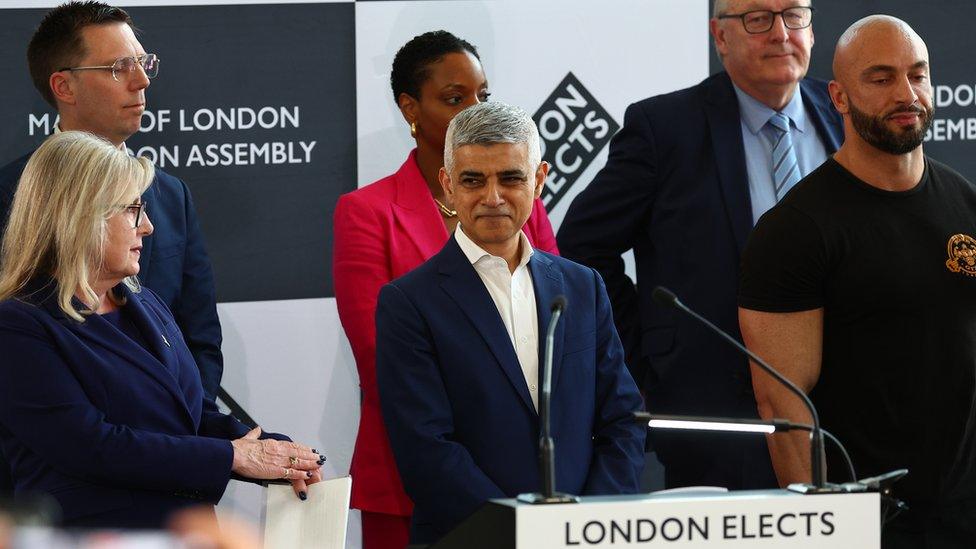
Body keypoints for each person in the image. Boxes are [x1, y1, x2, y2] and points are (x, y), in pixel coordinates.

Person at [556, 0, 842, 490]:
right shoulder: (664, 128)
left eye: (794, 15)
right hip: (717, 415)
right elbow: (582, 247)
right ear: (721, 36)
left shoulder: (849, 115)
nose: (780, 33)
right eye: (758, 18)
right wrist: (649, 356)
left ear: (812, 31)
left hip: (847, 413)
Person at [0, 131, 326, 529]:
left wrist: (264, 447)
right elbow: (90, 446)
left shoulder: (142, 300)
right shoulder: (18, 324)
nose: (149, 227)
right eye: (133, 209)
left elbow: (186, 415)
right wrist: (233, 456)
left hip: (185, 532)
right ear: (79, 216)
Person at [738, 16, 976, 548]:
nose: (906, 93)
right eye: (881, 78)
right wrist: (821, 533)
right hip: (864, 520)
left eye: (918, 75)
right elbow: (783, 407)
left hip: (965, 511)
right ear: (839, 98)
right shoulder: (795, 231)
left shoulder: (965, 202)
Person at [375, 102, 645, 544]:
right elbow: (425, 449)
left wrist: (587, 527)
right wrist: (523, 535)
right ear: (447, 186)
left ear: (538, 180)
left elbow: (623, 419)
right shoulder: (408, 303)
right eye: (473, 180)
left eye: (511, 178)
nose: (493, 197)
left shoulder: (583, 287)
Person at [332, 30, 558, 548]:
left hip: (530, 470)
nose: (474, 109)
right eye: (455, 99)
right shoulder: (367, 212)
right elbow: (378, 354)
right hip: (414, 475)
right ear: (409, 108)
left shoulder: (526, 204)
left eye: (483, 95)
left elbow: (556, 325)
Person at [0, 2, 226, 493]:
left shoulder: (170, 193)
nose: (142, 81)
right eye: (120, 67)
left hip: (173, 480)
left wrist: (187, 438)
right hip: (58, 498)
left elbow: (198, 334)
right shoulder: (9, 197)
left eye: (144, 64)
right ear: (64, 86)